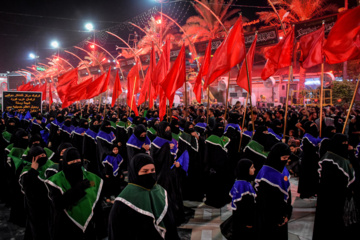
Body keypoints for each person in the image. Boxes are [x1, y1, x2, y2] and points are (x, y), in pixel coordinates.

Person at [108, 154, 180, 240]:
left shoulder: (161, 192)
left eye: (152, 170)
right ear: (135, 172)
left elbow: (171, 224)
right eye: (145, 171)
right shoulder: (123, 201)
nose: (150, 174)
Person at [45, 147, 106, 240]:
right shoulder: (57, 181)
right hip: (66, 227)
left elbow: (96, 200)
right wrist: (77, 189)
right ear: (65, 163)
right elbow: (58, 204)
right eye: (72, 162)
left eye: (78, 161)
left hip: (88, 226)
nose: (76, 164)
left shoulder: (89, 179)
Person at [313, 134, 355, 240]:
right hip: (331, 199)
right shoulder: (329, 160)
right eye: (343, 144)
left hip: (339, 200)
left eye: (346, 143)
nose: (345, 146)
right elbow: (329, 182)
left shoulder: (344, 157)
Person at [255, 142, 292, 240]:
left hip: (282, 214)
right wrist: (279, 217)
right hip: (270, 217)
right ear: (276, 156)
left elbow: (288, 192)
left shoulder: (283, 170)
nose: (286, 161)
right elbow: (265, 202)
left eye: (287, 158)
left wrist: (287, 213)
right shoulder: (266, 173)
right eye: (284, 158)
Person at [19, 146, 55, 239]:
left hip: (49, 205)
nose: (42, 157)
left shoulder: (50, 165)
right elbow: (27, 188)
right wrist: (33, 170)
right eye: (38, 156)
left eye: (43, 155)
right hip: (35, 208)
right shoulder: (27, 170)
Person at [230, 159, 256, 239]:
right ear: (245, 169)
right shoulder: (243, 185)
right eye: (251, 167)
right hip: (243, 222)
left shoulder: (240, 181)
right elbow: (245, 206)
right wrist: (249, 222)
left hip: (239, 220)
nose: (254, 169)